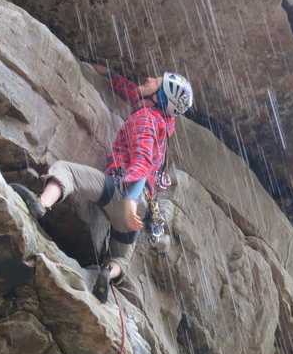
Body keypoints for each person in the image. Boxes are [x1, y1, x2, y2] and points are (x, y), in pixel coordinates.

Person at [11, 65, 194, 303]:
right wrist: (109, 76)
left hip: (120, 190)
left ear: (158, 97)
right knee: (122, 257)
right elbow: (137, 93)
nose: (148, 78)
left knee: (67, 171)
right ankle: (107, 274)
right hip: (140, 209)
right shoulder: (164, 122)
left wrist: (129, 200)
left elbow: (141, 161)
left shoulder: (146, 120)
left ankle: (41, 204)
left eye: (155, 82)